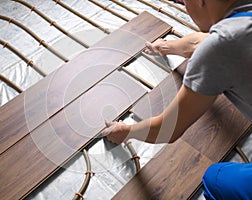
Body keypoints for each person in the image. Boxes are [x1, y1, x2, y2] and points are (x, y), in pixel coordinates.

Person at [102, 0, 252, 199]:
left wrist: (125, 131)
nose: (185, 8)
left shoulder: (221, 47)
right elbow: (209, 41)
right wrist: (168, 46)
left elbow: (167, 129)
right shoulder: (240, 23)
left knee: (214, 178)